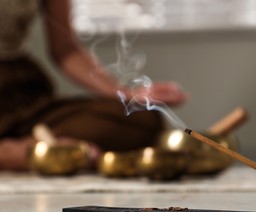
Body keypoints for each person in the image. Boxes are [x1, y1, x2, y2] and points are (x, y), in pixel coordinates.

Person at [0, 0, 188, 171]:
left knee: (141, 117)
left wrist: (124, 94)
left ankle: (41, 148)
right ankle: (13, 153)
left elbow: (66, 49)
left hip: (24, 93)